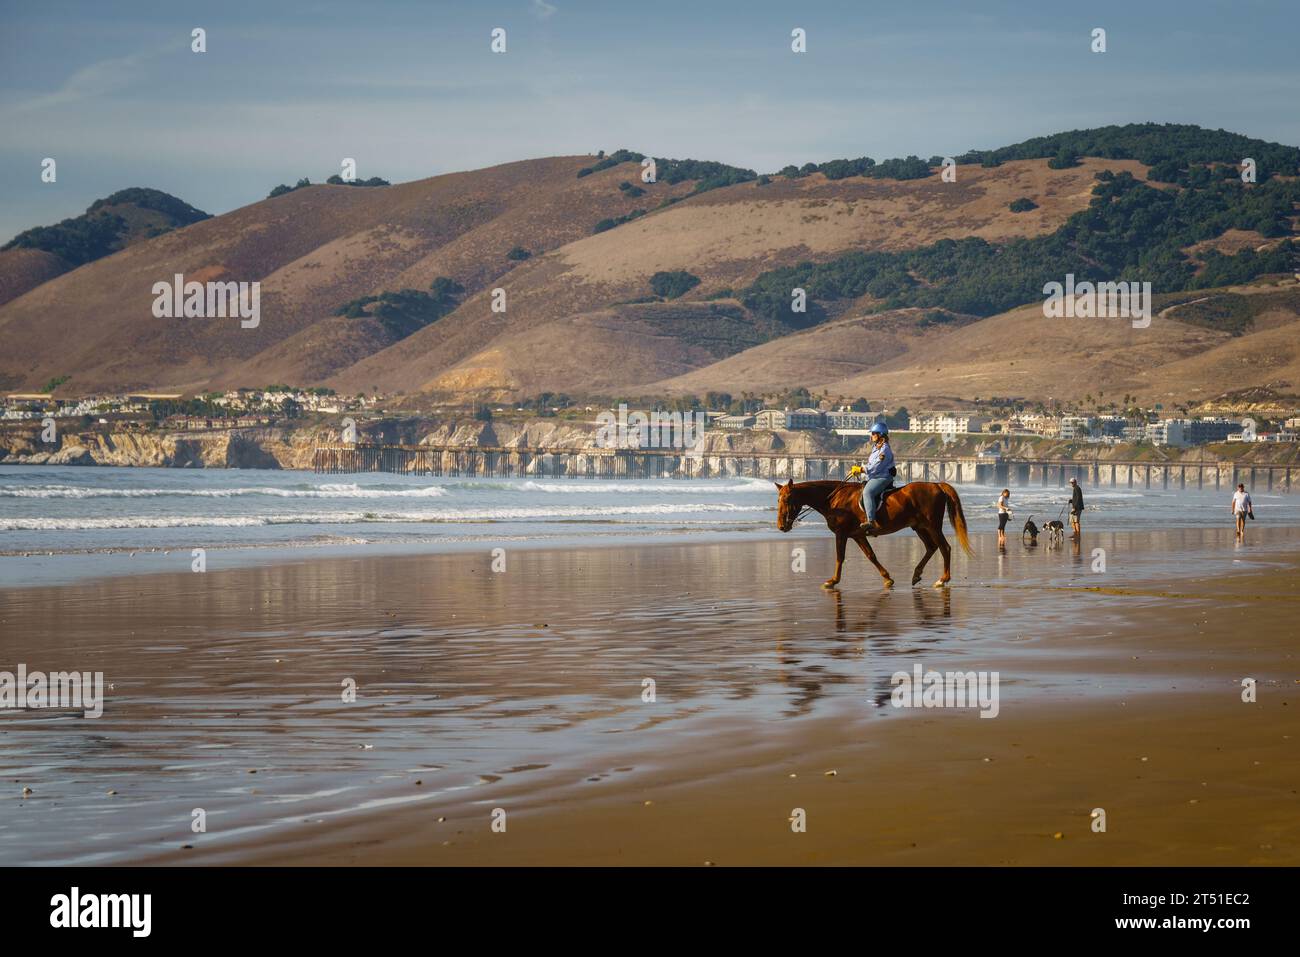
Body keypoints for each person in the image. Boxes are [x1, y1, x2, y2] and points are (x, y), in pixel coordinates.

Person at [856, 422, 895, 536]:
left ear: (880, 434)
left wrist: (861, 470)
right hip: (874, 476)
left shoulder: (884, 450)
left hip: (882, 477)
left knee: (867, 492)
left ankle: (871, 521)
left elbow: (875, 467)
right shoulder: (876, 448)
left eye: (873, 433)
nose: (871, 435)